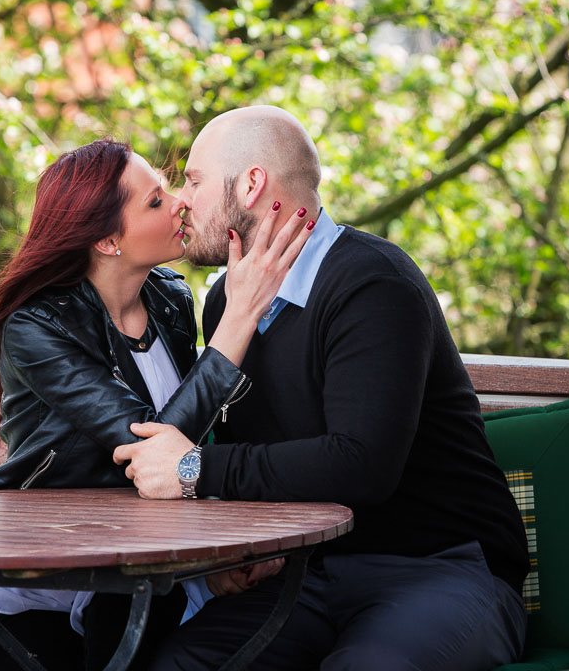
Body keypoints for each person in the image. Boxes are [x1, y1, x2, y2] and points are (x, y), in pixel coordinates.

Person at [113, 106, 531, 671]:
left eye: (194, 180)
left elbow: (362, 466)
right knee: (175, 665)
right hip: (305, 576)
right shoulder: (225, 305)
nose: (182, 199)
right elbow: (269, 447)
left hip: (437, 570)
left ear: (253, 184)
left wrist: (193, 471)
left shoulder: (373, 283)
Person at [0, 138, 314, 671]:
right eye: (154, 201)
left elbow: (190, 445)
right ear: (106, 240)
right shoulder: (36, 326)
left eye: (172, 189)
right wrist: (241, 316)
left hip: (140, 568)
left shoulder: (171, 299)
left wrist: (210, 559)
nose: (180, 204)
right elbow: (149, 449)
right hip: (37, 581)